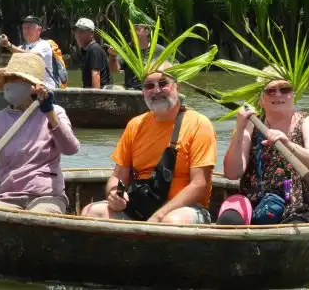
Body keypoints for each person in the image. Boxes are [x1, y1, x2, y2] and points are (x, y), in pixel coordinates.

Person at [80, 62, 217, 224]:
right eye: (149, 86)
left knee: (171, 221)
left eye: (163, 83)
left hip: (185, 209)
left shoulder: (199, 124)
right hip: (141, 203)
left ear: (177, 87)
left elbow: (199, 185)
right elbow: (118, 176)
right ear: (143, 91)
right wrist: (114, 193)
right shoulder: (135, 125)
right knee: (91, 212)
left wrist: (159, 216)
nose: (156, 90)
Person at [0, 53, 80, 214]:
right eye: (8, 80)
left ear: (33, 86)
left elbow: (71, 149)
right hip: (5, 195)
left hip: (46, 195)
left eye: (17, 80)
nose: (10, 85)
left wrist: (49, 112)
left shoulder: (54, 113)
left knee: (41, 216)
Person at [217, 67, 309, 225]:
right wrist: (239, 130)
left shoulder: (307, 122)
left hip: (297, 204)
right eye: (271, 90)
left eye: (284, 89)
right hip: (256, 202)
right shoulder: (251, 125)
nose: (278, 94)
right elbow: (232, 173)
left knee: (294, 228)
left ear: (293, 95)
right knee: (229, 219)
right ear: (261, 99)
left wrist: (288, 145)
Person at [106, 23, 165, 90]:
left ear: (146, 31)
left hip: (153, 89)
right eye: (131, 29)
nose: (132, 31)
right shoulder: (126, 50)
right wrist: (112, 56)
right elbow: (115, 71)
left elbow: (172, 68)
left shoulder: (159, 50)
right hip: (130, 90)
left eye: (136, 28)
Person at [74, 17, 112, 89]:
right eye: (76, 31)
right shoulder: (85, 50)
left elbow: (96, 75)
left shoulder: (94, 49)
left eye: (81, 31)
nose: (78, 35)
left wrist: (94, 98)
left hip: (100, 93)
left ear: (91, 33)